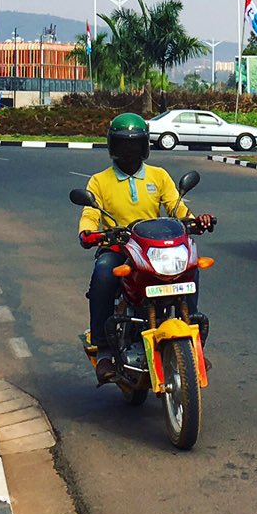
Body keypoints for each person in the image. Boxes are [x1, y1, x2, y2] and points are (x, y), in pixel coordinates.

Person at [76, 113, 192, 382]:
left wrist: (194, 220)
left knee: (189, 268)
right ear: (112, 147)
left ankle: (190, 331)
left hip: (152, 249)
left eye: (135, 145)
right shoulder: (99, 181)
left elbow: (176, 207)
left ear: (145, 146)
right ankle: (104, 350)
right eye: (123, 145)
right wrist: (88, 232)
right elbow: (91, 213)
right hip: (118, 248)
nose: (129, 151)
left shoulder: (159, 176)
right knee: (103, 274)